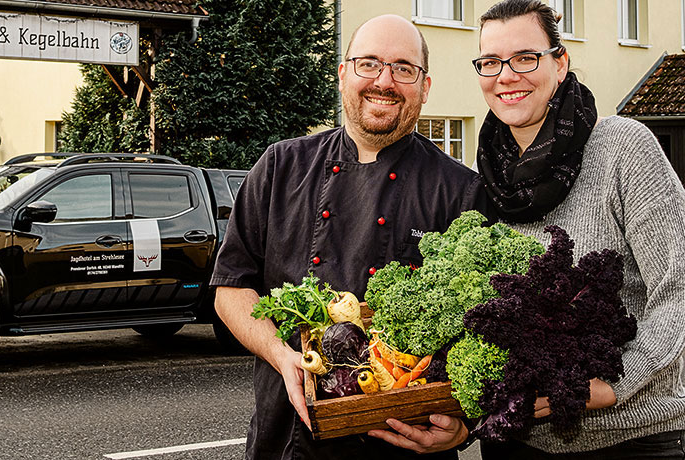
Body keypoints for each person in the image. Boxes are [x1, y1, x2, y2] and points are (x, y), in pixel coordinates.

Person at [210, 14, 491, 460]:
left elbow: (486, 334)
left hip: (404, 444)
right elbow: (231, 289)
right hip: (283, 437)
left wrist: (463, 430)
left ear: (425, 85)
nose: (384, 81)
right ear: (344, 74)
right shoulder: (280, 166)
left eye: (403, 68)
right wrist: (284, 356)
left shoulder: (459, 191)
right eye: (369, 64)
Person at [469, 0, 685, 458]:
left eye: (526, 57)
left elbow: (679, 285)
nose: (506, 75)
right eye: (490, 62)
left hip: (630, 438)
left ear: (560, 62)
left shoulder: (622, 149)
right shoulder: (486, 179)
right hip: (516, 438)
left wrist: (614, 385)